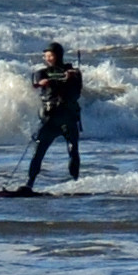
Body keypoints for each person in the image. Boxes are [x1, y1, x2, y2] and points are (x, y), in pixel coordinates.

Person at [13, 41, 87, 192]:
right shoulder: (42, 73)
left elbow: (76, 91)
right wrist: (51, 81)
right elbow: (37, 83)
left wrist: (72, 76)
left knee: (73, 150)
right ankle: (29, 183)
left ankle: (76, 183)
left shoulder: (73, 72)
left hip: (68, 117)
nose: (47, 58)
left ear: (58, 55)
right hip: (50, 119)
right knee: (38, 150)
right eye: (45, 56)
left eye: (50, 55)